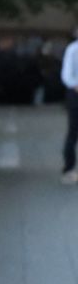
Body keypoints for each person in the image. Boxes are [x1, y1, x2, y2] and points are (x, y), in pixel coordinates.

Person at [62, 26, 78, 184]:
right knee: (73, 131)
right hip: (76, 94)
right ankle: (69, 168)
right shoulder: (73, 49)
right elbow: (67, 75)